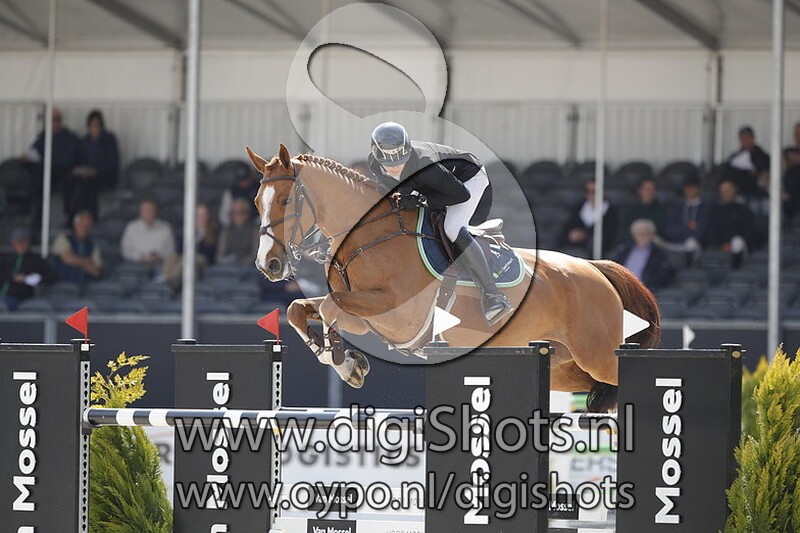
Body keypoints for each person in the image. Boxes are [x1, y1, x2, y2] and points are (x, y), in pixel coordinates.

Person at [367, 122, 512, 325]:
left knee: (451, 228)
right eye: (388, 164)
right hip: (433, 185)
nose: (394, 167)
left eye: (400, 161)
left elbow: (461, 195)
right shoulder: (374, 164)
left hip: (467, 179)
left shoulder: (425, 165)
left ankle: (493, 295)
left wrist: (421, 200)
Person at [21, 108, 81, 222]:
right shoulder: (44, 135)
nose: (55, 122)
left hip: (63, 171)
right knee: (36, 173)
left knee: (68, 177)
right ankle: (36, 214)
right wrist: (27, 156)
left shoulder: (69, 137)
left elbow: (69, 159)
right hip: (46, 172)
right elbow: (34, 150)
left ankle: (69, 216)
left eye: (57, 119)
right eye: (52, 120)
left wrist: (49, 159)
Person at [74, 110, 119, 221]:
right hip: (86, 175)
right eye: (92, 126)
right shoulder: (85, 141)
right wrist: (79, 170)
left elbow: (113, 163)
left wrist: (96, 171)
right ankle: (74, 217)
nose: (95, 128)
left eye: (97, 125)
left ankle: (92, 218)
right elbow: (79, 160)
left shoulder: (109, 139)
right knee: (73, 181)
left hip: (105, 175)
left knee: (90, 183)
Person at [0, 227, 56, 311]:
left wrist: (29, 278)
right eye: (17, 242)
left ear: (28, 242)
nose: (20, 245)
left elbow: (51, 276)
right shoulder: (5, 258)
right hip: (3, 295)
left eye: (23, 242)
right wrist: (13, 277)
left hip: (22, 297)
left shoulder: (36, 260)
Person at [558, 179, 617, 256]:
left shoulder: (611, 211)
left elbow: (610, 234)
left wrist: (585, 235)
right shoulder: (578, 207)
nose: (591, 194)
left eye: (594, 191)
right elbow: (568, 227)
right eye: (587, 191)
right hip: (575, 247)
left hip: (599, 250)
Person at [611, 219, 673, 291]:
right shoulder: (623, 250)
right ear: (634, 235)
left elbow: (661, 277)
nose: (642, 236)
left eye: (646, 233)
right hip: (622, 288)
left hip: (645, 290)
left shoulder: (659, 255)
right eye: (639, 233)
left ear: (651, 235)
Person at [707, 179, 756, 269]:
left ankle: (736, 267)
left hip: (740, 244)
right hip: (720, 245)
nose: (726, 193)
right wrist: (721, 245)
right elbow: (712, 231)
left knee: (737, 241)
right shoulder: (715, 210)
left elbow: (747, 230)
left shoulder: (743, 209)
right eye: (724, 191)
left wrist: (729, 243)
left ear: (734, 190)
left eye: (728, 190)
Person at [664, 175, 711, 266]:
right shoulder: (676, 208)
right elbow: (669, 231)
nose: (690, 191)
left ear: (698, 189)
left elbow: (702, 233)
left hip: (697, 246)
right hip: (676, 244)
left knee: (691, 243)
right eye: (687, 188)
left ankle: (689, 266)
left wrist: (683, 230)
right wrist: (688, 227)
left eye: (693, 188)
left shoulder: (705, 209)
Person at [120, 198, 175, 268]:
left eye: (151, 209)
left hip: (160, 264)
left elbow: (170, 250)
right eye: (145, 210)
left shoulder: (166, 227)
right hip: (136, 264)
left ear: (155, 211)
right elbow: (126, 250)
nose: (148, 212)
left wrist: (157, 257)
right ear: (140, 211)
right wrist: (141, 257)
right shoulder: (131, 227)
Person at [52, 211, 102, 285]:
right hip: (63, 285)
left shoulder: (93, 245)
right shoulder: (63, 239)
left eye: (88, 226)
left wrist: (79, 262)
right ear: (76, 226)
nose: (86, 229)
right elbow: (67, 258)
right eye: (83, 226)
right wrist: (86, 262)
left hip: (87, 286)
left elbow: (97, 271)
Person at [723, 125, 770, 199]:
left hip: (756, 191)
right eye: (743, 137)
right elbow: (727, 173)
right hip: (738, 191)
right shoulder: (734, 157)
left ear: (753, 138)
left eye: (748, 137)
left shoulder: (763, 156)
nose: (745, 140)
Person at [616, 177, 665, 245]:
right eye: (646, 189)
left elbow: (662, 233)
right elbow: (624, 232)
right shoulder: (628, 209)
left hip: (654, 245)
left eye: (652, 190)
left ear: (655, 192)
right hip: (631, 244)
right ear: (640, 191)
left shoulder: (662, 210)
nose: (649, 192)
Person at [217, 198, 259, 266]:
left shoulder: (254, 230)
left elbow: (255, 255)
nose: (239, 215)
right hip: (228, 266)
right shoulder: (226, 231)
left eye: (242, 212)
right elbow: (220, 255)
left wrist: (241, 262)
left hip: (248, 266)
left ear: (248, 213)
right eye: (235, 212)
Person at [783, 121, 800, 222]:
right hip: (790, 190)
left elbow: (791, 158)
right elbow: (783, 167)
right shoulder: (788, 150)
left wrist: (793, 159)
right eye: (796, 133)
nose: (798, 135)